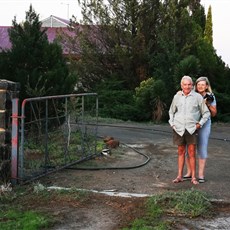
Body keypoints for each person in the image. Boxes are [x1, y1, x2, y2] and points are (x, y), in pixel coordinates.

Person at [168, 76, 210, 185]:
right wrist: (172, 123)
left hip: (191, 129)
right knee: (181, 152)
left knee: (192, 153)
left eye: (189, 84)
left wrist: (199, 124)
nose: (187, 86)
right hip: (179, 128)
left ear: (192, 85)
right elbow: (171, 111)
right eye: (185, 84)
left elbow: (206, 113)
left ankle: (193, 178)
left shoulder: (197, 97)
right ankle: (179, 176)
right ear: (181, 85)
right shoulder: (176, 97)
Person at [183, 77, 217, 183]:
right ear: (195, 86)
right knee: (189, 148)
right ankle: (189, 172)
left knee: (202, 148)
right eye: (198, 84)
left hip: (205, 125)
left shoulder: (211, 97)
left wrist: (207, 103)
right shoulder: (192, 94)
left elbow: (214, 113)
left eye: (203, 84)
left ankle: (201, 175)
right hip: (192, 124)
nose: (200, 86)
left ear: (206, 86)